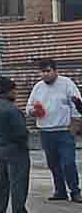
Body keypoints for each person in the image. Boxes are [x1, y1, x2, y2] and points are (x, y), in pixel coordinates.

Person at [26, 59, 82, 203]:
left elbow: (76, 105)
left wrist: (74, 128)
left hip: (64, 130)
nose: (45, 74)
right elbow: (28, 108)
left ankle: (75, 191)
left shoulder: (67, 84)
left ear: (55, 71)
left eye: (48, 71)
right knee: (53, 163)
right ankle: (60, 190)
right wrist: (34, 111)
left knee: (68, 162)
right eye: (43, 72)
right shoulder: (38, 87)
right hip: (46, 131)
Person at [0, 77, 36, 213]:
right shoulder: (12, 109)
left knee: (1, 181)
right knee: (18, 182)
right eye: (14, 90)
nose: (16, 93)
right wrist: (23, 145)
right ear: (9, 91)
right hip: (15, 149)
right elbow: (20, 133)